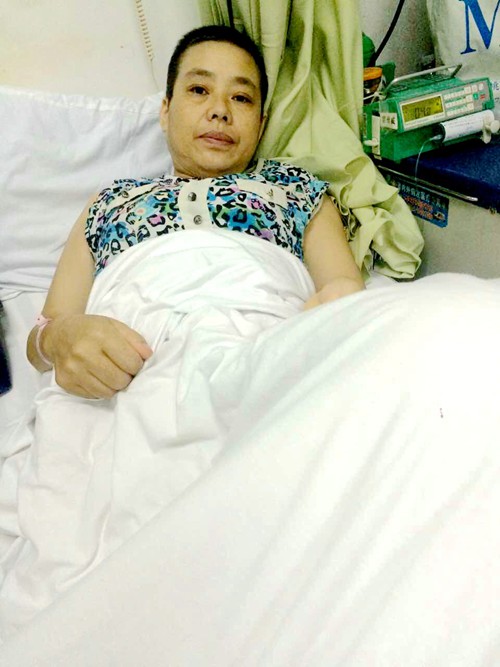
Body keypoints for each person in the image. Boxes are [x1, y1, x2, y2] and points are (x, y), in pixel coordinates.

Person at [26, 24, 364, 400]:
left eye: (241, 98)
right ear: (165, 111)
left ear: (261, 124)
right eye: (199, 90)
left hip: (266, 363)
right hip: (131, 374)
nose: (219, 111)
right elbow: (45, 332)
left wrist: (336, 310)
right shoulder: (109, 203)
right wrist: (60, 338)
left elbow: (345, 290)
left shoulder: (297, 190)